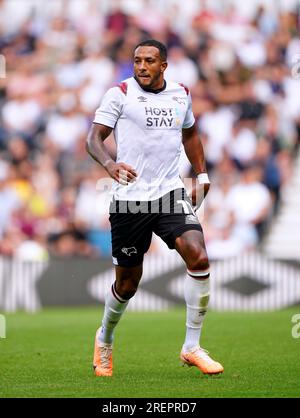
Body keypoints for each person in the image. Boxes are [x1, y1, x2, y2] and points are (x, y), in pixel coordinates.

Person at [86, 39, 224, 377]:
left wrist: (202, 174)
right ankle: (105, 337)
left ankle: (192, 347)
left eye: (149, 61)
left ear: (164, 65)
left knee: (199, 257)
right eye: (137, 60)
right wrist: (109, 165)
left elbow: (190, 135)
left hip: (169, 193)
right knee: (128, 284)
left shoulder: (181, 93)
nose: (142, 66)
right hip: (130, 200)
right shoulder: (119, 92)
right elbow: (93, 138)